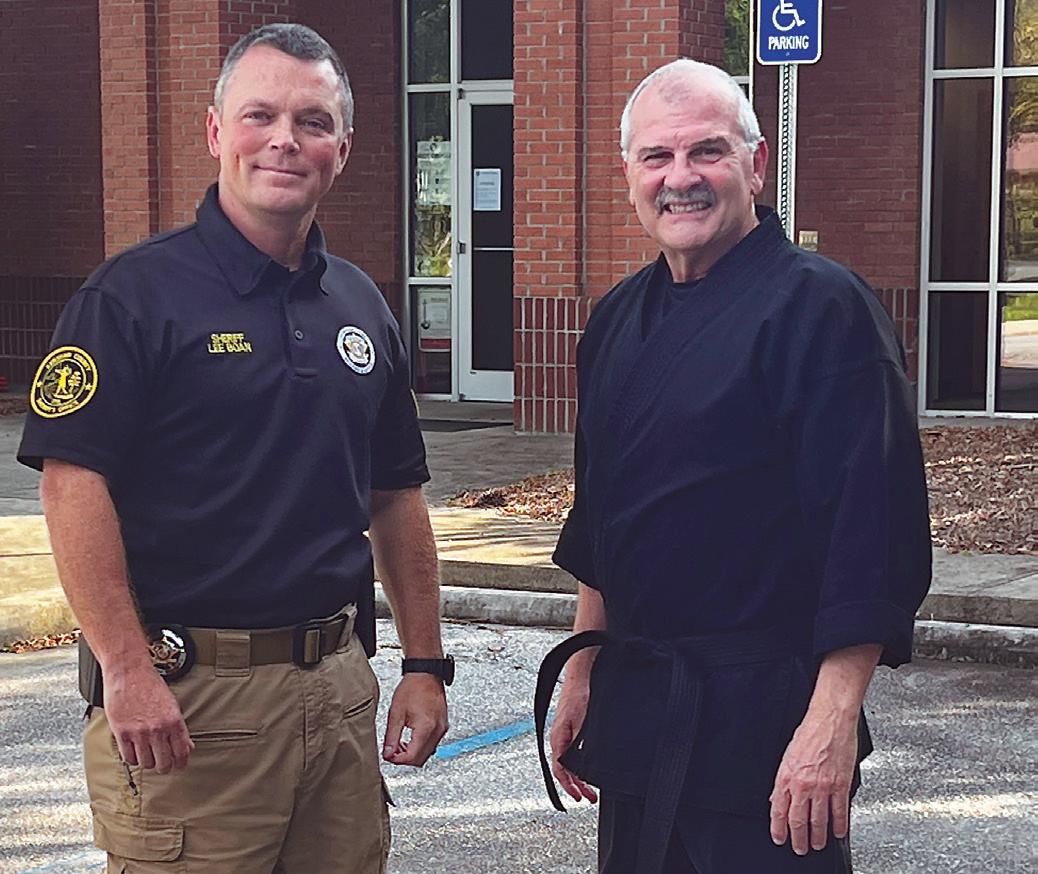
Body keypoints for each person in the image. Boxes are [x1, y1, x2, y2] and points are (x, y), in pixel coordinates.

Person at [18, 23, 453, 873]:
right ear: (217, 132)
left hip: (336, 690)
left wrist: (426, 663)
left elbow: (396, 496)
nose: (285, 139)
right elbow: (71, 488)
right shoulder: (130, 299)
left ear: (342, 149)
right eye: (261, 115)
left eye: (313, 122)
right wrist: (126, 671)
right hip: (187, 703)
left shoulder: (361, 306)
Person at [535, 58, 932, 874]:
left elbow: (871, 536)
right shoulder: (615, 321)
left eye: (706, 152)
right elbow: (601, 522)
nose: (680, 178)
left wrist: (830, 724)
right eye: (657, 156)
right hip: (644, 711)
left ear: (755, 165)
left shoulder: (825, 311)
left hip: (768, 728)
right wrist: (582, 673)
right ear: (629, 175)